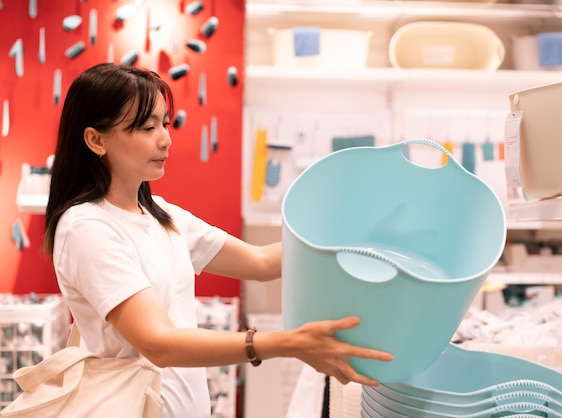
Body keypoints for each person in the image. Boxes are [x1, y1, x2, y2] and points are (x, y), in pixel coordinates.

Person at [43, 63, 393, 418]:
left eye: (164, 123)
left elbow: (259, 262)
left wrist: (353, 236)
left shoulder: (162, 215)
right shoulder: (86, 227)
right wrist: (289, 343)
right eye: (148, 127)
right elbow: (158, 342)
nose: (166, 139)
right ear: (96, 140)